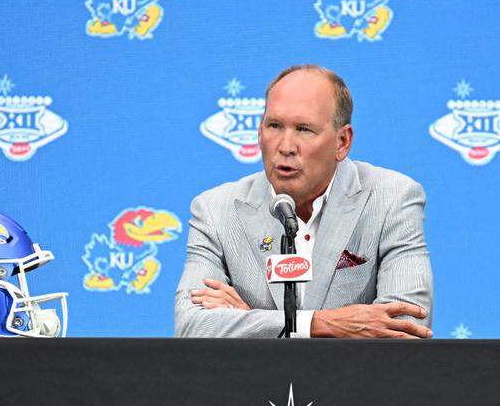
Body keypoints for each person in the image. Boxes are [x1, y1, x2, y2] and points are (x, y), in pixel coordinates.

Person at [174, 64, 433, 338]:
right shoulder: (215, 210)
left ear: (342, 142)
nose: (285, 147)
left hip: (352, 380)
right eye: (274, 125)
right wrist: (319, 325)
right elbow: (191, 326)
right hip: (257, 381)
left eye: (304, 129)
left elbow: (406, 327)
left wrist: (248, 321)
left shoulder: (392, 199)